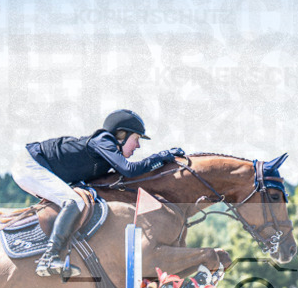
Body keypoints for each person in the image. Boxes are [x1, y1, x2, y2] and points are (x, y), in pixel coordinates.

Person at [11, 109, 184, 277]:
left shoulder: (107, 156)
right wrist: (162, 156)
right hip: (30, 165)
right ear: (122, 135)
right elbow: (129, 170)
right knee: (74, 202)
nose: (138, 145)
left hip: (36, 167)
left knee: (78, 201)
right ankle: (49, 258)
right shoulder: (104, 141)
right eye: (136, 138)